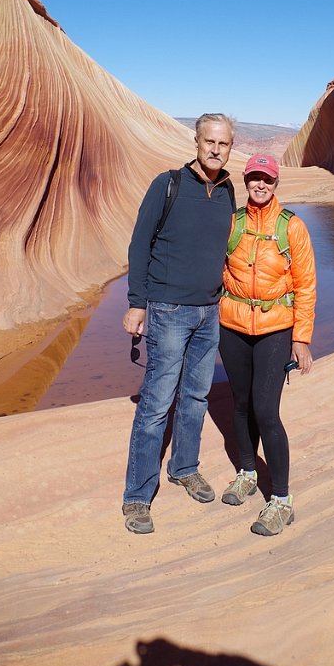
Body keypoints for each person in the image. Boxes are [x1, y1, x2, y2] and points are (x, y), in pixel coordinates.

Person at [121, 113, 236, 534]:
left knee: (196, 399)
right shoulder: (167, 185)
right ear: (196, 141)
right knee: (155, 405)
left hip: (210, 312)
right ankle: (137, 496)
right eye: (210, 141)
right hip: (168, 311)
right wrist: (137, 305)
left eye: (224, 144)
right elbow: (139, 244)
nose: (216, 149)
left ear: (230, 146)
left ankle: (184, 467)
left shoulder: (227, 190)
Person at [219, 153, 316, 536]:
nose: (260, 185)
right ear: (246, 181)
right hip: (233, 325)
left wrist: (302, 339)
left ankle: (281, 500)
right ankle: (246, 472)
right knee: (240, 405)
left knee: (266, 410)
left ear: (276, 184)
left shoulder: (291, 228)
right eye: (254, 178)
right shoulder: (233, 224)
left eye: (268, 180)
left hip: (276, 328)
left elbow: (306, 285)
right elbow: (215, 270)